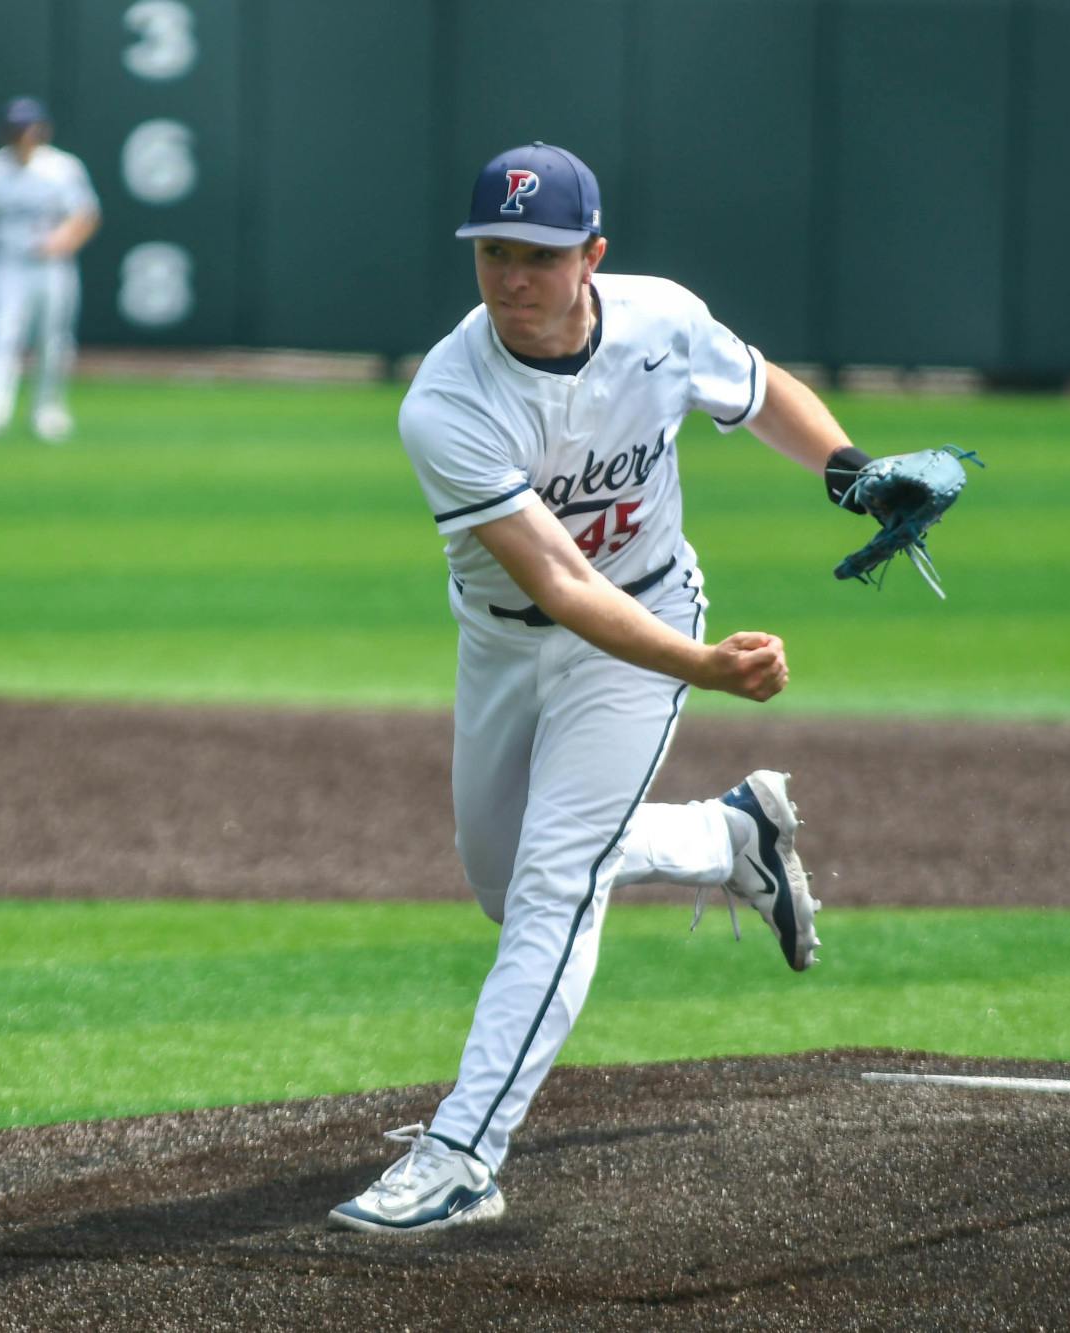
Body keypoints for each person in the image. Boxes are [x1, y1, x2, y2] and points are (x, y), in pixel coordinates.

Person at [327, 142, 876, 1236]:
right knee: (504, 881)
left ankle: (462, 1155)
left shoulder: (659, 319)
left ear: (592, 255)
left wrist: (850, 473)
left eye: (538, 254)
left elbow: (758, 391)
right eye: (493, 251)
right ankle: (727, 837)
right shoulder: (447, 400)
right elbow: (563, 584)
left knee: (552, 886)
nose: (512, 276)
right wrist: (707, 671)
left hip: (646, 617)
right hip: (510, 638)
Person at [0, 97, 100, 443]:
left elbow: (86, 216)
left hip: (52, 265)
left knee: (53, 340)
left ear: (44, 130)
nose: (24, 134)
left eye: (30, 127)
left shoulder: (62, 168)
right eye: (17, 128)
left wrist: (63, 240)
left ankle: (48, 410)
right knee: (0, 335)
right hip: (7, 262)